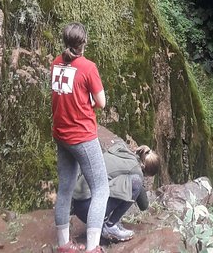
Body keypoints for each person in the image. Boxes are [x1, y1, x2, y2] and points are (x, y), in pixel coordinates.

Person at [51, 23, 110, 253]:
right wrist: (90, 102)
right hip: (82, 136)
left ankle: (64, 244)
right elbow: (101, 102)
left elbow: (65, 95)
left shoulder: (56, 63)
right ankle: (93, 248)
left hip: (61, 134)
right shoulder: (88, 67)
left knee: (65, 188)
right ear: (83, 43)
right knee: (101, 189)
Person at [71, 141, 161, 242]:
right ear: (145, 170)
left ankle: (106, 222)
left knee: (115, 183)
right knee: (135, 183)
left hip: (78, 202)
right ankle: (110, 226)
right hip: (88, 208)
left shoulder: (121, 151)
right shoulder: (136, 171)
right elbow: (143, 205)